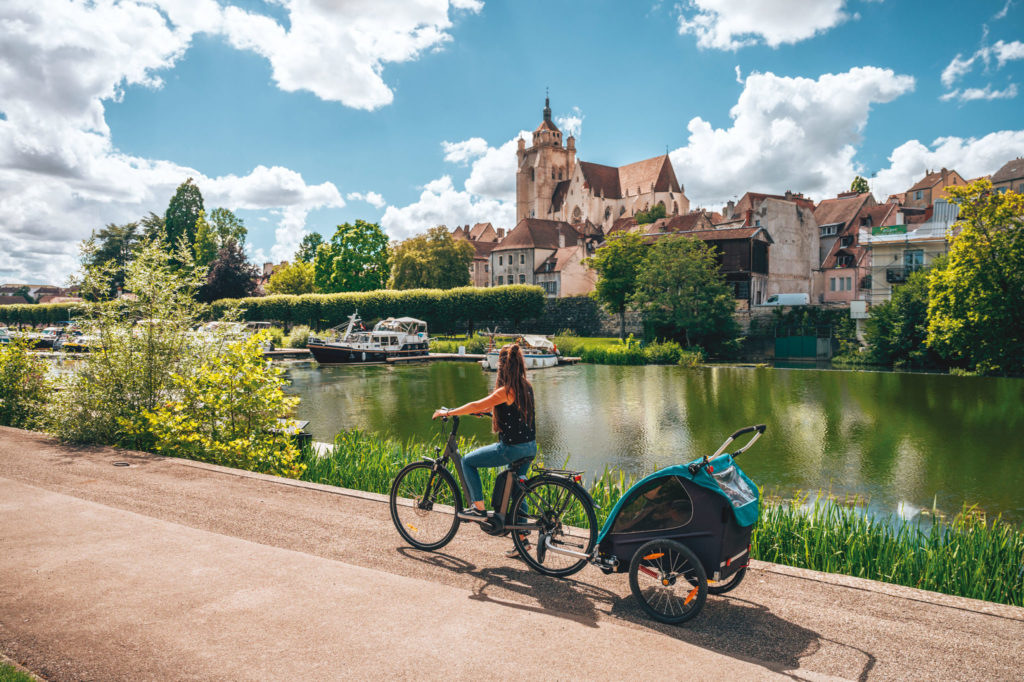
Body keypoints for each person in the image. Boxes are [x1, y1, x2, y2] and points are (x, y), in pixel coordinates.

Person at [433, 343, 536, 555]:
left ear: (502, 366)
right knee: (517, 492)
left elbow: (476, 404)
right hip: (530, 447)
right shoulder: (526, 386)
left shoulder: (505, 390)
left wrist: (449, 412)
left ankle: (478, 508)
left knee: (468, 461)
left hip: (511, 449)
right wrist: (488, 411)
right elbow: (509, 412)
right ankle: (523, 542)